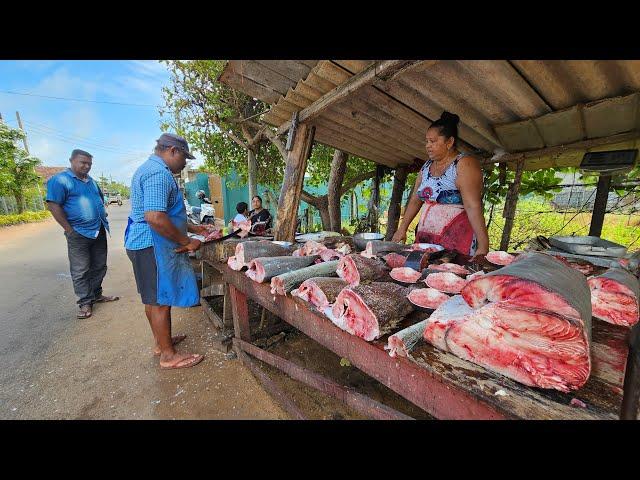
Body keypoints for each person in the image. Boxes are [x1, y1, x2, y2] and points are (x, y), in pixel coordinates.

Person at [124, 133, 209, 370]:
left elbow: (164, 212)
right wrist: (188, 240)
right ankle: (168, 356)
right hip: (151, 245)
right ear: (173, 151)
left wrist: (193, 226)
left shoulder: (150, 169)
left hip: (141, 244)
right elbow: (155, 217)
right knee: (160, 302)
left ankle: (161, 344)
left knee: (152, 299)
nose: (185, 164)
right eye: (184, 158)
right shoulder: (158, 174)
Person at [392, 112, 490, 259]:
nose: (428, 146)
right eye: (427, 142)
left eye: (433, 141)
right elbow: (415, 199)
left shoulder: (464, 164)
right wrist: (402, 228)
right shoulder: (426, 167)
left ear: (449, 142)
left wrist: (483, 247)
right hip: (427, 239)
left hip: (457, 239)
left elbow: (473, 206)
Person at [46, 149, 120, 319]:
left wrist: (100, 211)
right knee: (81, 270)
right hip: (78, 233)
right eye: (83, 162)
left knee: (100, 266)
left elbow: (100, 199)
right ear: (71, 160)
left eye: (89, 164)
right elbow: (53, 205)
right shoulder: (60, 180)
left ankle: (96, 294)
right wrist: (69, 230)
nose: (86, 166)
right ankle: (85, 302)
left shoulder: (91, 181)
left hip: (98, 229)